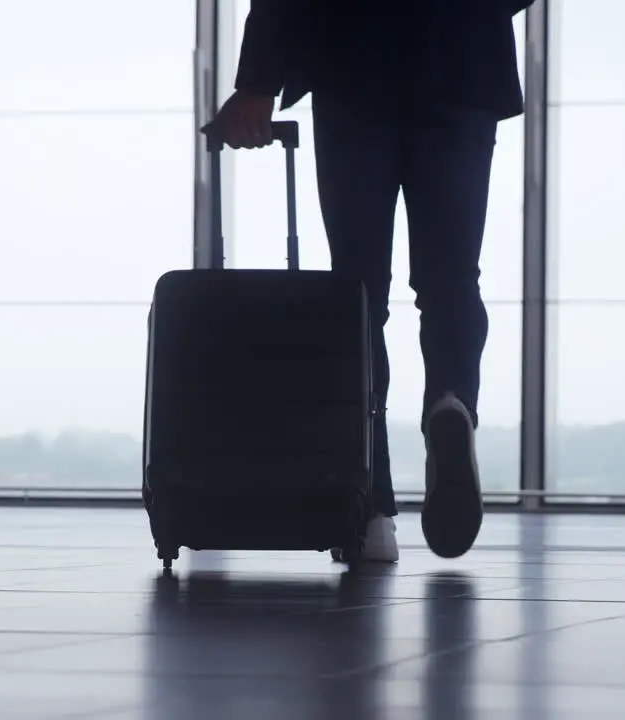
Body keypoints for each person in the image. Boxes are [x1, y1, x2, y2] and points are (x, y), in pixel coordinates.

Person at [211, 0, 533, 562]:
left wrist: (259, 82)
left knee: (358, 298)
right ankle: (450, 404)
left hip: (353, 61)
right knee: (452, 279)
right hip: (463, 62)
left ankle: (372, 509)